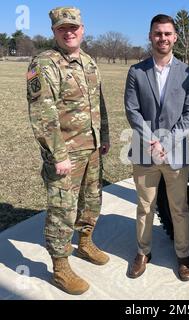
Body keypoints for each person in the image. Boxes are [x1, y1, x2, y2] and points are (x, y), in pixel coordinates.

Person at [27, 6, 110, 295]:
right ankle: (60, 267)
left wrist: (105, 137)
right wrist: (57, 155)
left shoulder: (88, 61)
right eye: (63, 28)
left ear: (82, 29)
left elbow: (98, 102)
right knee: (62, 208)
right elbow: (42, 115)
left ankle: (85, 242)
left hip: (92, 148)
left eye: (73, 26)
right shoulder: (44, 63)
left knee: (91, 200)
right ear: (54, 32)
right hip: (66, 154)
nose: (69, 31)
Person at [124, 14, 189, 281]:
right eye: (158, 33)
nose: (163, 38)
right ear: (150, 36)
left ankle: (183, 255)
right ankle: (143, 252)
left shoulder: (188, 73)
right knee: (145, 206)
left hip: (175, 152)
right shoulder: (136, 72)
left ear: (175, 37)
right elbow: (132, 110)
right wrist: (151, 141)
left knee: (179, 207)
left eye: (167, 33)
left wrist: (166, 142)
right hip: (145, 152)